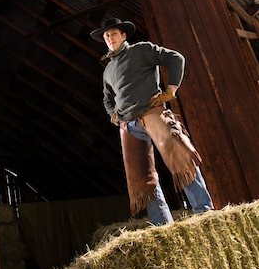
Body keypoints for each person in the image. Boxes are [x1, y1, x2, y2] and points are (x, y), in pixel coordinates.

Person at [90, 17, 214, 226]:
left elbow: (176, 58)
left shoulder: (141, 50)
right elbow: (107, 98)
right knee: (142, 179)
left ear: (123, 35)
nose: (109, 38)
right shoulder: (108, 70)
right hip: (128, 125)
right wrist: (113, 114)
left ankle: (204, 211)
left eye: (113, 34)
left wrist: (170, 91)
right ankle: (162, 224)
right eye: (106, 36)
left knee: (181, 157)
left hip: (152, 113)